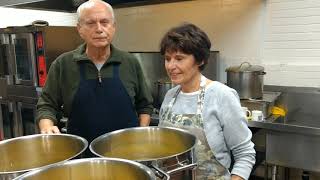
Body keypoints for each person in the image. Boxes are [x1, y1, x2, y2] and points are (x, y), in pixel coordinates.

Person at [36, 0, 153, 145]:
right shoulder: (63, 64)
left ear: (113, 27)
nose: (99, 29)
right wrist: (47, 126)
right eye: (91, 23)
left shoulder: (130, 62)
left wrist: (140, 133)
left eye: (105, 22)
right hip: (81, 154)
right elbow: (47, 105)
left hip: (128, 152)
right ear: (79, 28)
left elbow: (145, 105)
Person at [158, 23, 255, 180]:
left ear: (200, 60)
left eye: (179, 58)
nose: (171, 66)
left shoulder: (221, 95)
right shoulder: (170, 96)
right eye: (167, 59)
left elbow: (245, 154)